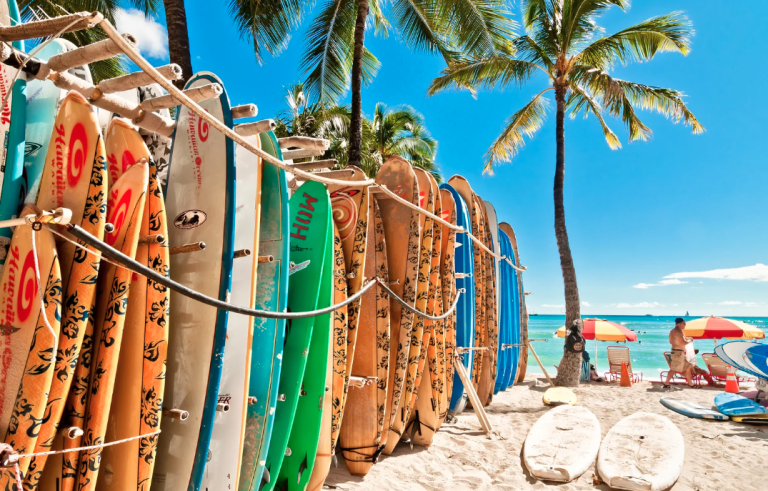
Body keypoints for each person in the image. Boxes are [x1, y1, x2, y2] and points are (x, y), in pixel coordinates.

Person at [663, 318, 699, 389]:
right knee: (673, 368)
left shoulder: (672, 331)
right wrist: (689, 341)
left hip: (677, 351)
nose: (685, 325)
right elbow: (683, 342)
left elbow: (671, 342)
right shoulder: (679, 332)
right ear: (679, 324)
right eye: (684, 323)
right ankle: (666, 383)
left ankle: (690, 384)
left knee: (688, 366)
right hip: (678, 352)